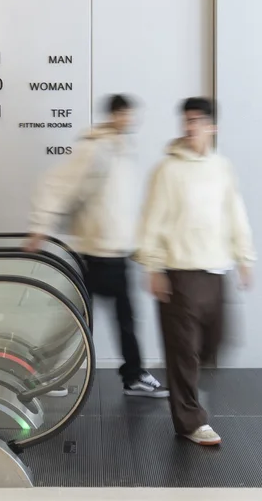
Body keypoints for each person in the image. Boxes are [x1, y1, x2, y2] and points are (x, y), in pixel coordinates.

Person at [25, 94, 167, 399]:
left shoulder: (121, 149)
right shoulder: (96, 149)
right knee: (89, 318)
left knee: (87, 317)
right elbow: (57, 185)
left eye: (131, 115)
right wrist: (40, 227)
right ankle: (127, 375)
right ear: (114, 115)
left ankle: (46, 371)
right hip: (98, 253)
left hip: (114, 251)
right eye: (124, 115)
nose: (129, 120)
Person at [136, 96, 255, 448]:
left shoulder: (222, 167)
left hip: (216, 269)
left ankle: (184, 382)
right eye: (187, 121)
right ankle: (190, 420)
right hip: (179, 272)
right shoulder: (167, 170)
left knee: (216, 342)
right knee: (184, 351)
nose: (191, 127)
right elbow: (151, 220)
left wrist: (244, 258)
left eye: (198, 121)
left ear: (212, 126)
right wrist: (153, 266)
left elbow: (235, 213)